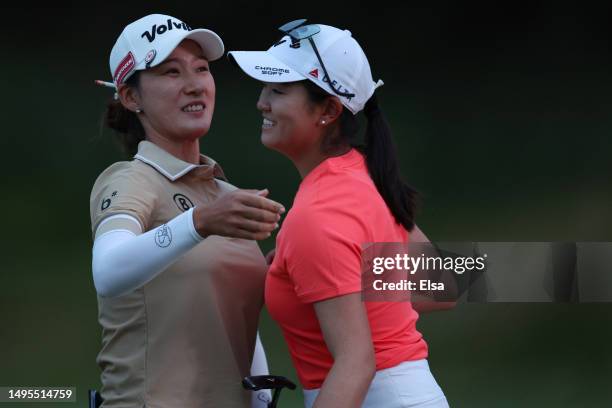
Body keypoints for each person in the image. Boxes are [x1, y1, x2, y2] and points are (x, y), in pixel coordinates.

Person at [229, 20, 449, 407]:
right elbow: (440, 286)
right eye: (265, 88)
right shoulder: (362, 172)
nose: (262, 101)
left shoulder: (315, 216)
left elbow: (356, 363)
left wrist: (319, 260)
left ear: (329, 110)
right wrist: (325, 274)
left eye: (279, 90)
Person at [90, 14, 284, 407]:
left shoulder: (224, 193)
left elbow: (233, 315)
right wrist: (199, 222)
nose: (195, 84)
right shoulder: (131, 180)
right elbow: (107, 272)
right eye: (171, 72)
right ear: (131, 98)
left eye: (201, 69)